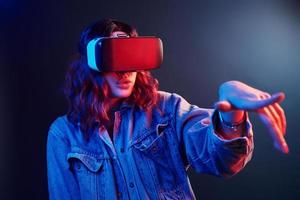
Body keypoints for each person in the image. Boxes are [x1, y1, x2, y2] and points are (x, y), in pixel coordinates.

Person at [47, 19, 288, 200]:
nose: (125, 70)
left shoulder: (166, 109)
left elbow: (220, 160)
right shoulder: (63, 134)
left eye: (131, 56)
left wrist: (231, 114)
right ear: (90, 64)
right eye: (114, 57)